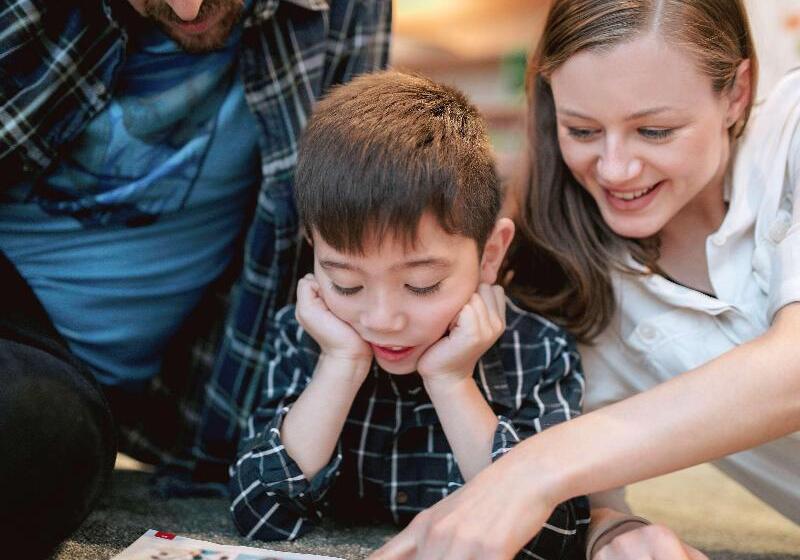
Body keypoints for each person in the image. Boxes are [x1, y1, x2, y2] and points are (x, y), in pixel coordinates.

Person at [370, 1, 800, 559]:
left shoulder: (790, 130)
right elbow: (592, 497)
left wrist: (536, 468)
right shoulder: (560, 275)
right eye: (582, 130)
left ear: (736, 94)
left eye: (655, 130)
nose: (615, 168)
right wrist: (614, 529)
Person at [0, 0, 389, 556]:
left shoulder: (350, 11)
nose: (188, 8)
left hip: (128, 397)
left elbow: (350, 223)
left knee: (44, 434)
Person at [226, 70, 590, 558]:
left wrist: (452, 381)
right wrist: (341, 365)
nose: (381, 319)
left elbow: (552, 542)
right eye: (347, 283)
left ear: (489, 254)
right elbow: (259, 512)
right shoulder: (308, 334)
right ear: (313, 250)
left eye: (423, 285)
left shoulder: (540, 351)